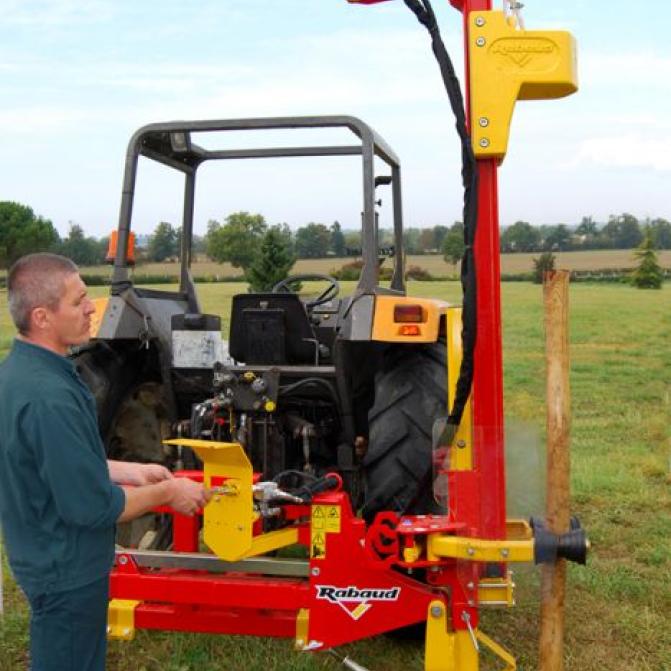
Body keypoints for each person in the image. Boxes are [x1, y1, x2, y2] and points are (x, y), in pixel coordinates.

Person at [0, 253, 211, 671]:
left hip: (41, 553)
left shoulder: (22, 374)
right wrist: (168, 491)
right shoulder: (50, 398)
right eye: (78, 301)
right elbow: (93, 507)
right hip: (68, 568)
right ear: (42, 316)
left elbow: (58, 462)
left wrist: (132, 470)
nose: (92, 307)